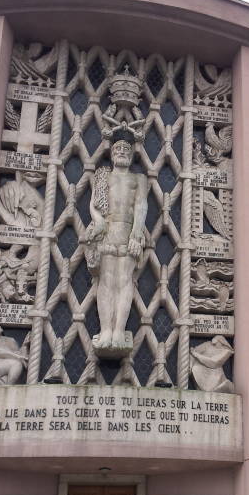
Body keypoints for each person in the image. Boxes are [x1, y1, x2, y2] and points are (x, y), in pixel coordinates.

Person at [84, 140, 148, 356]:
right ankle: (106, 331)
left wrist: (137, 234)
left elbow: (141, 206)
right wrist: (98, 221)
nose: (122, 152)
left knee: (124, 280)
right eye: (117, 149)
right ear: (111, 155)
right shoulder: (103, 176)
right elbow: (94, 204)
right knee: (106, 281)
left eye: (126, 149)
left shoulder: (138, 179)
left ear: (131, 155)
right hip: (108, 230)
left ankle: (119, 331)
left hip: (128, 230)